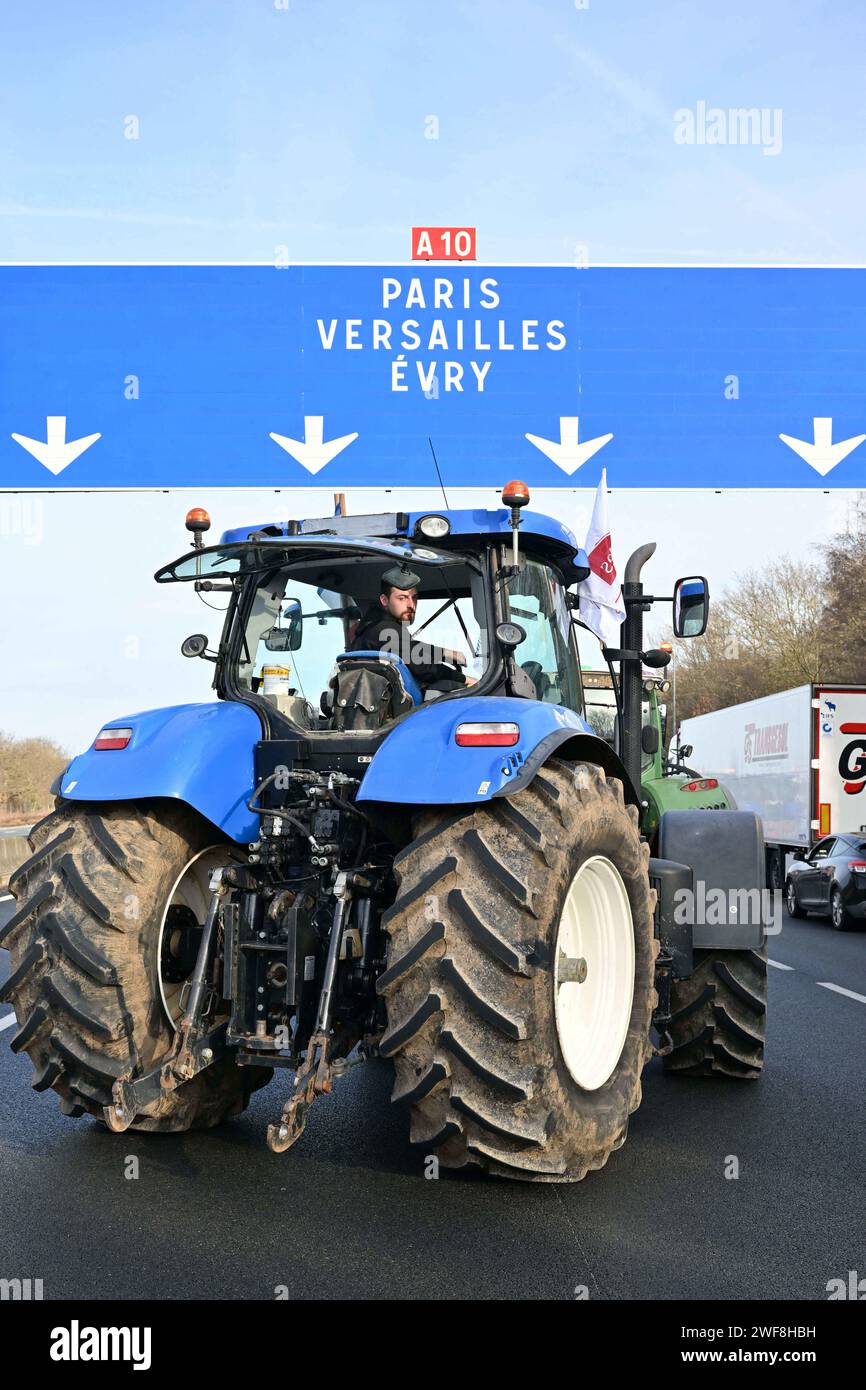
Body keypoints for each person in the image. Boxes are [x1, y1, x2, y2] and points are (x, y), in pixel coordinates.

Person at [350, 564, 473, 692]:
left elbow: (410, 648)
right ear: (384, 600)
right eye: (402, 598)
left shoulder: (372, 628)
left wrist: (442, 653)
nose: (411, 605)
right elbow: (424, 668)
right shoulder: (386, 629)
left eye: (414, 598)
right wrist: (464, 680)